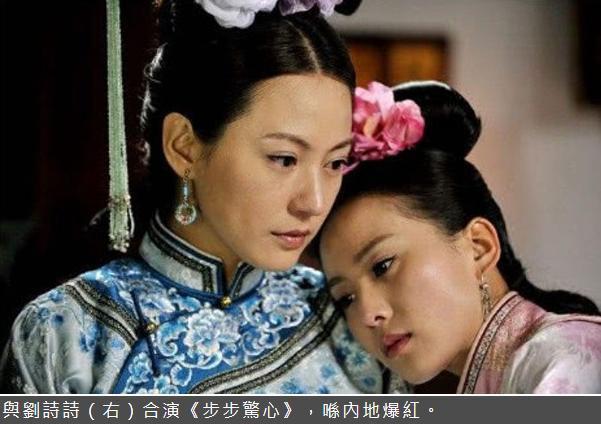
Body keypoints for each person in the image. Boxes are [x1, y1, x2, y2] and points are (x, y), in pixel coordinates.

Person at [0, 0, 404, 394]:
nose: (313, 202)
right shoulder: (67, 333)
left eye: (335, 163)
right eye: (284, 159)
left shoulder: (351, 317)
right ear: (184, 147)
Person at [318, 80, 601, 394]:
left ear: (479, 247)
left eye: (383, 266)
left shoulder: (566, 362)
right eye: (347, 298)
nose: (368, 315)